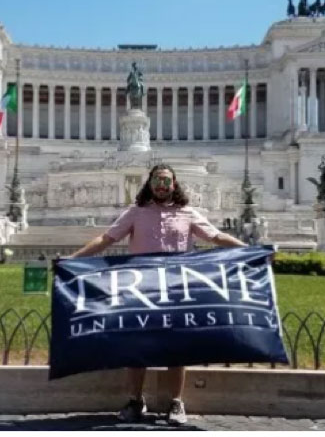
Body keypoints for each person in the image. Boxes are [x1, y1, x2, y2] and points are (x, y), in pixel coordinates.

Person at [69, 164, 247, 426]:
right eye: (157, 180)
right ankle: (134, 400)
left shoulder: (188, 213)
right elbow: (107, 239)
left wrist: (250, 250)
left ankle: (176, 401)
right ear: (149, 184)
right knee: (137, 347)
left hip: (177, 289)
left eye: (166, 181)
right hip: (142, 290)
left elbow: (216, 236)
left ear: (174, 185)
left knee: (178, 348)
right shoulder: (136, 212)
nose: (162, 186)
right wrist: (72, 260)